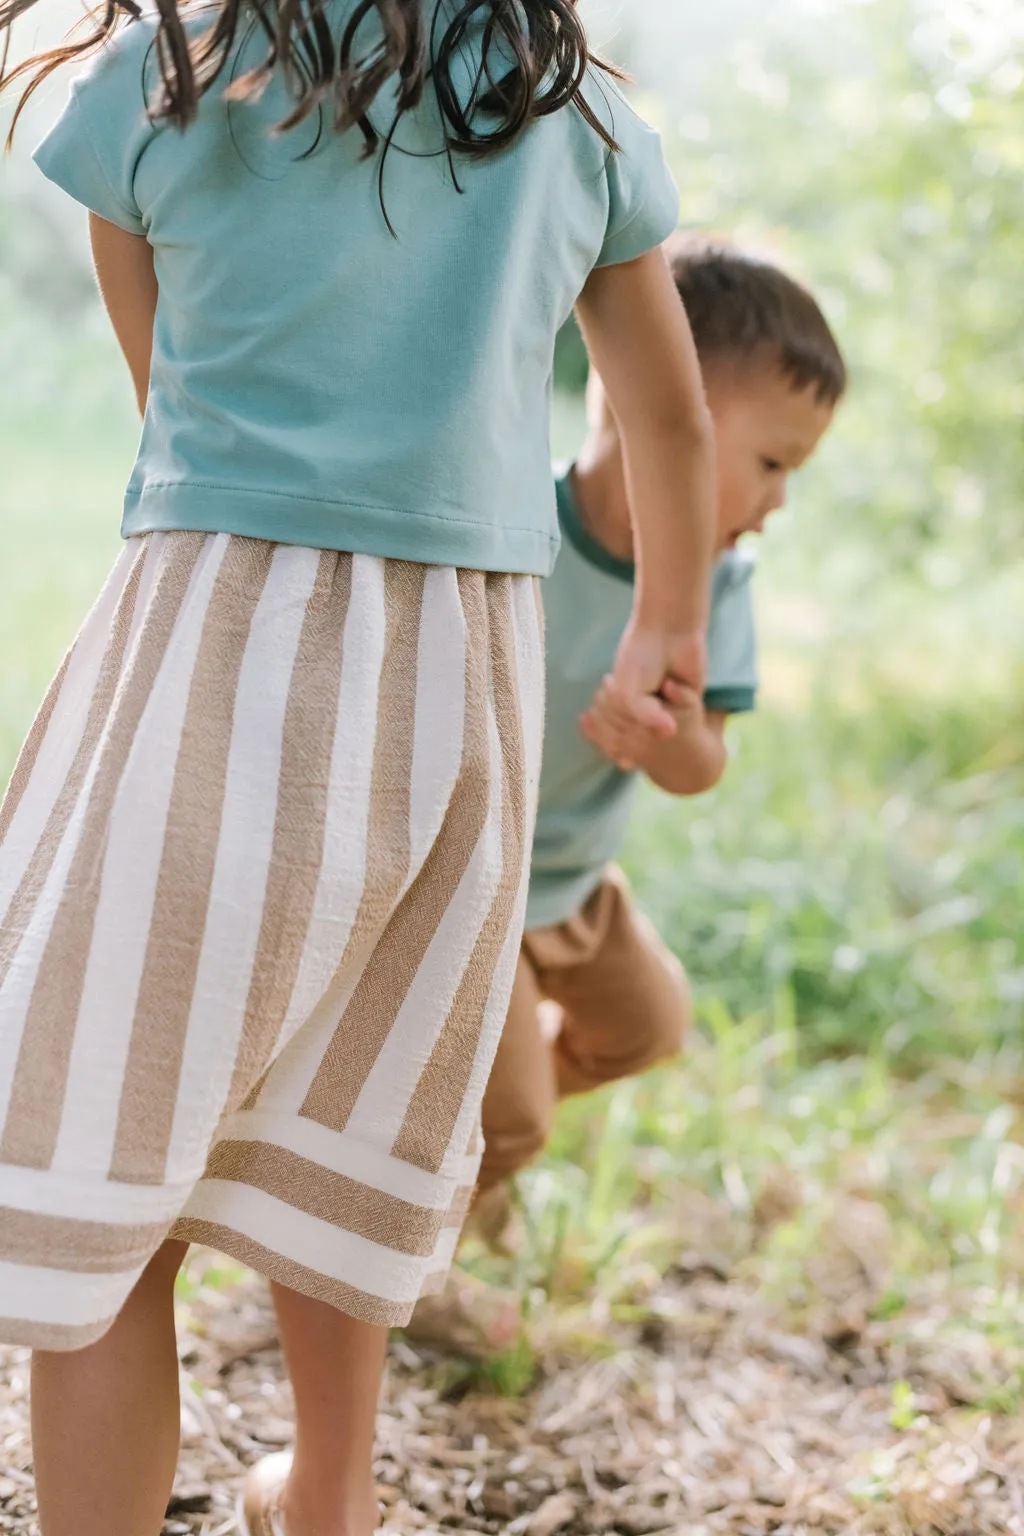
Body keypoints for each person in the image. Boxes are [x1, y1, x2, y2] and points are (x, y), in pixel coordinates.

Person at [0, 4, 719, 1534]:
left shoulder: (164, 82)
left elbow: (166, 397)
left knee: (116, 1161)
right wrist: (663, 628)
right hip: (452, 690)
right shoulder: (566, 110)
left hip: (210, 649)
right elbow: (665, 409)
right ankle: (325, 1504)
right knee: (346, 1132)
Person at [473, 235, 848, 1236]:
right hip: (476, 896)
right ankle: (436, 1223)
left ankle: (451, 1148)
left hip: (578, 884)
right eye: (771, 464)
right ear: (658, 404)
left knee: (647, 1029)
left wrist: (666, 731)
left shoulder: (718, 585)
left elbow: (702, 764)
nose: (775, 505)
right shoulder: (509, 527)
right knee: (511, 1120)